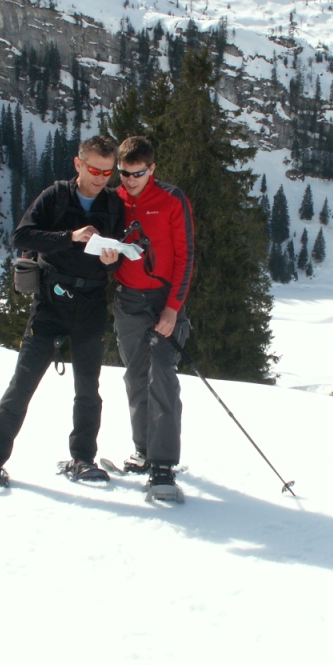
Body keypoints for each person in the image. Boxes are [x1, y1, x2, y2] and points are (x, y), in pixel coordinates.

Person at [0, 136, 124, 488]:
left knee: (88, 389)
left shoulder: (113, 204)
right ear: (78, 164)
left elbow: (114, 257)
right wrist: (70, 237)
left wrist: (111, 260)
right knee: (22, 384)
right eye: (94, 169)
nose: (101, 178)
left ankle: (83, 459)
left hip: (90, 304)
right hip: (50, 302)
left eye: (107, 171)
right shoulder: (56, 196)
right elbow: (22, 237)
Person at [113, 136, 195, 498]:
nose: (130, 180)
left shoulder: (171, 199)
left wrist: (173, 309)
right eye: (124, 173)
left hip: (164, 302)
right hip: (128, 300)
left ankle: (163, 465)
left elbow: (185, 256)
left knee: (161, 374)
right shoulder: (114, 200)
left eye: (137, 173)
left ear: (152, 169)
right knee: (135, 376)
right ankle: (144, 451)